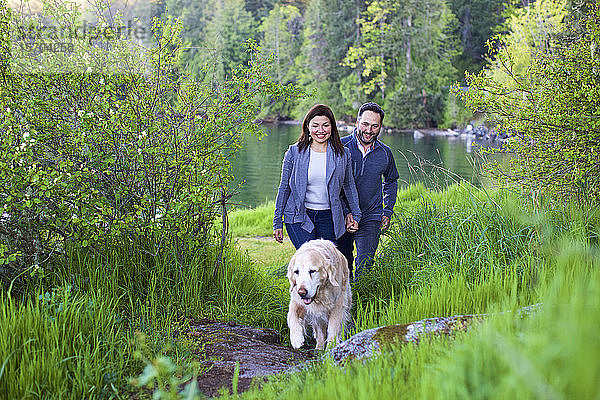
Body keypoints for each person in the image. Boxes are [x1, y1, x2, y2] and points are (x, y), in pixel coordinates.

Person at [273, 104, 362, 249]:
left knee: (326, 261)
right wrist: (277, 221)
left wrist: (356, 216)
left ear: (332, 127)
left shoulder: (343, 154)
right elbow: (284, 187)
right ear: (308, 126)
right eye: (315, 125)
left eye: (325, 125)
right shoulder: (294, 152)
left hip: (329, 216)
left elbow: (349, 186)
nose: (320, 130)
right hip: (299, 215)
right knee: (310, 256)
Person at [338, 102, 399, 279]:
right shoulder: (340, 147)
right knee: (342, 264)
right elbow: (331, 184)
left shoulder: (385, 153)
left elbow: (391, 181)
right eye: (365, 124)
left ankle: (363, 301)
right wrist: (346, 212)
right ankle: (342, 303)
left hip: (371, 216)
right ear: (357, 123)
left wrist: (387, 210)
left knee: (365, 266)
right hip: (342, 215)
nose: (369, 130)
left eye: (375, 126)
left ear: (380, 127)